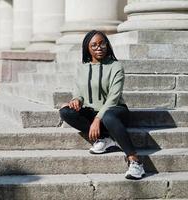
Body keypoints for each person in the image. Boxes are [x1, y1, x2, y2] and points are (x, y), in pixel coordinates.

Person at [59, 30, 145, 180]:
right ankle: (105, 139)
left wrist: (98, 119)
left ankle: (135, 161)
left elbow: (113, 97)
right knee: (65, 111)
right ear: (87, 48)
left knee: (108, 117)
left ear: (107, 45)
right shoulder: (82, 68)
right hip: (93, 112)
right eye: (94, 45)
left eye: (102, 44)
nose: (99, 48)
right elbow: (79, 92)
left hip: (116, 111)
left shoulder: (116, 66)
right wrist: (76, 100)